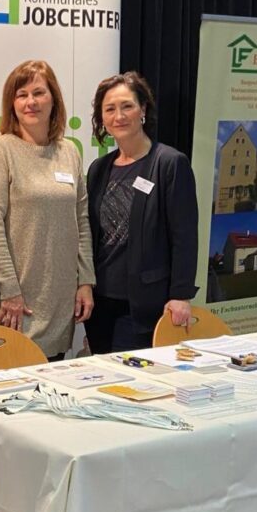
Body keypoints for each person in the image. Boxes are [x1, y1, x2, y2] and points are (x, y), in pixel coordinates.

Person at [0, 60, 95, 360]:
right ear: (12, 103)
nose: (30, 102)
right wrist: (9, 291)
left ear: (53, 98)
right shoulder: (0, 151)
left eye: (39, 92)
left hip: (61, 302)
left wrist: (85, 281)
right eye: (22, 94)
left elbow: (81, 221)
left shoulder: (69, 152)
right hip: (18, 305)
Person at [85, 71, 198, 353]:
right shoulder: (99, 169)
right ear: (102, 118)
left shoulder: (169, 164)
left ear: (143, 110)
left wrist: (181, 295)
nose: (119, 116)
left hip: (144, 306)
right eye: (110, 109)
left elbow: (184, 236)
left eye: (127, 106)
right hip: (100, 305)